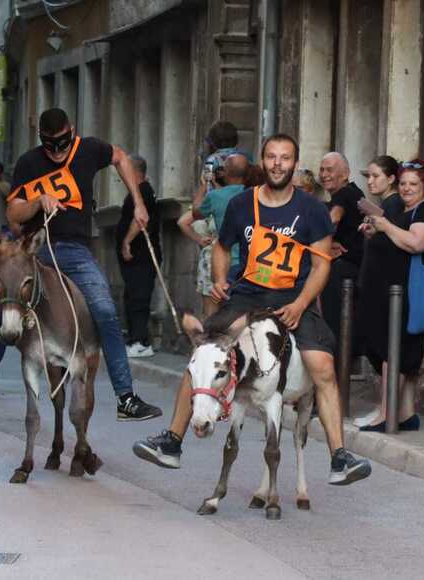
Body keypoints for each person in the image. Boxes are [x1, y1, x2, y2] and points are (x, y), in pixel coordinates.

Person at [133, 133, 372, 485]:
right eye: (272, 157)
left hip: (293, 297)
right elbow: (221, 247)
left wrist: (301, 303)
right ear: (263, 162)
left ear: (294, 162)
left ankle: (340, 457)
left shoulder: (313, 211)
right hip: (247, 296)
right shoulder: (242, 205)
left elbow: (322, 265)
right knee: (202, 352)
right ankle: (171, 441)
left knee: (322, 364)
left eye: (286, 157)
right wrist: (218, 278)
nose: (278, 163)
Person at [0, 108, 161, 422]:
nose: (58, 152)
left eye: (63, 143)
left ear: (71, 131)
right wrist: (37, 200)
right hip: (37, 250)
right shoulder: (29, 163)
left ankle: (125, 398)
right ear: (41, 140)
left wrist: (139, 202)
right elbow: (13, 214)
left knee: (104, 308)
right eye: (51, 145)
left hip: (76, 250)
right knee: (5, 307)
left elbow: (120, 157)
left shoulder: (88, 149)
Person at [355, 160, 424, 432]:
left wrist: (385, 227)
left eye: (413, 184)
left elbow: (417, 243)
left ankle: (386, 415)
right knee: (399, 352)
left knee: (397, 352)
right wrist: (376, 231)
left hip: (410, 292)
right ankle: (404, 413)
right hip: (399, 292)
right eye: (403, 183)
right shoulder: (407, 210)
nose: (406, 188)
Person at [319, 152, 365, 352]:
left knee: (335, 329)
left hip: (344, 272)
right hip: (352, 270)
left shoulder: (345, 194)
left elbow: (332, 220)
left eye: (330, 169)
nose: (324, 174)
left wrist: (318, 244)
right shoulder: (354, 193)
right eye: (322, 169)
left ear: (345, 173)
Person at [116, 155, 162, 358]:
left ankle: (141, 341)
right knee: (132, 296)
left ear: (135, 172)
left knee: (139, 298)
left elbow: (140, 220)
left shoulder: (143, 191)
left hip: (142, 257)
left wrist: (126, 241)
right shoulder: (139, 192)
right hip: (136, 259)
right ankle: (134, 338)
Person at [193, 153, 248, 276]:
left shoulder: (215, 196)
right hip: (251, 262)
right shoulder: (255, 191)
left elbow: (196, 213)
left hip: (227, 263)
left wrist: (204, 185)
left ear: (226, 172)